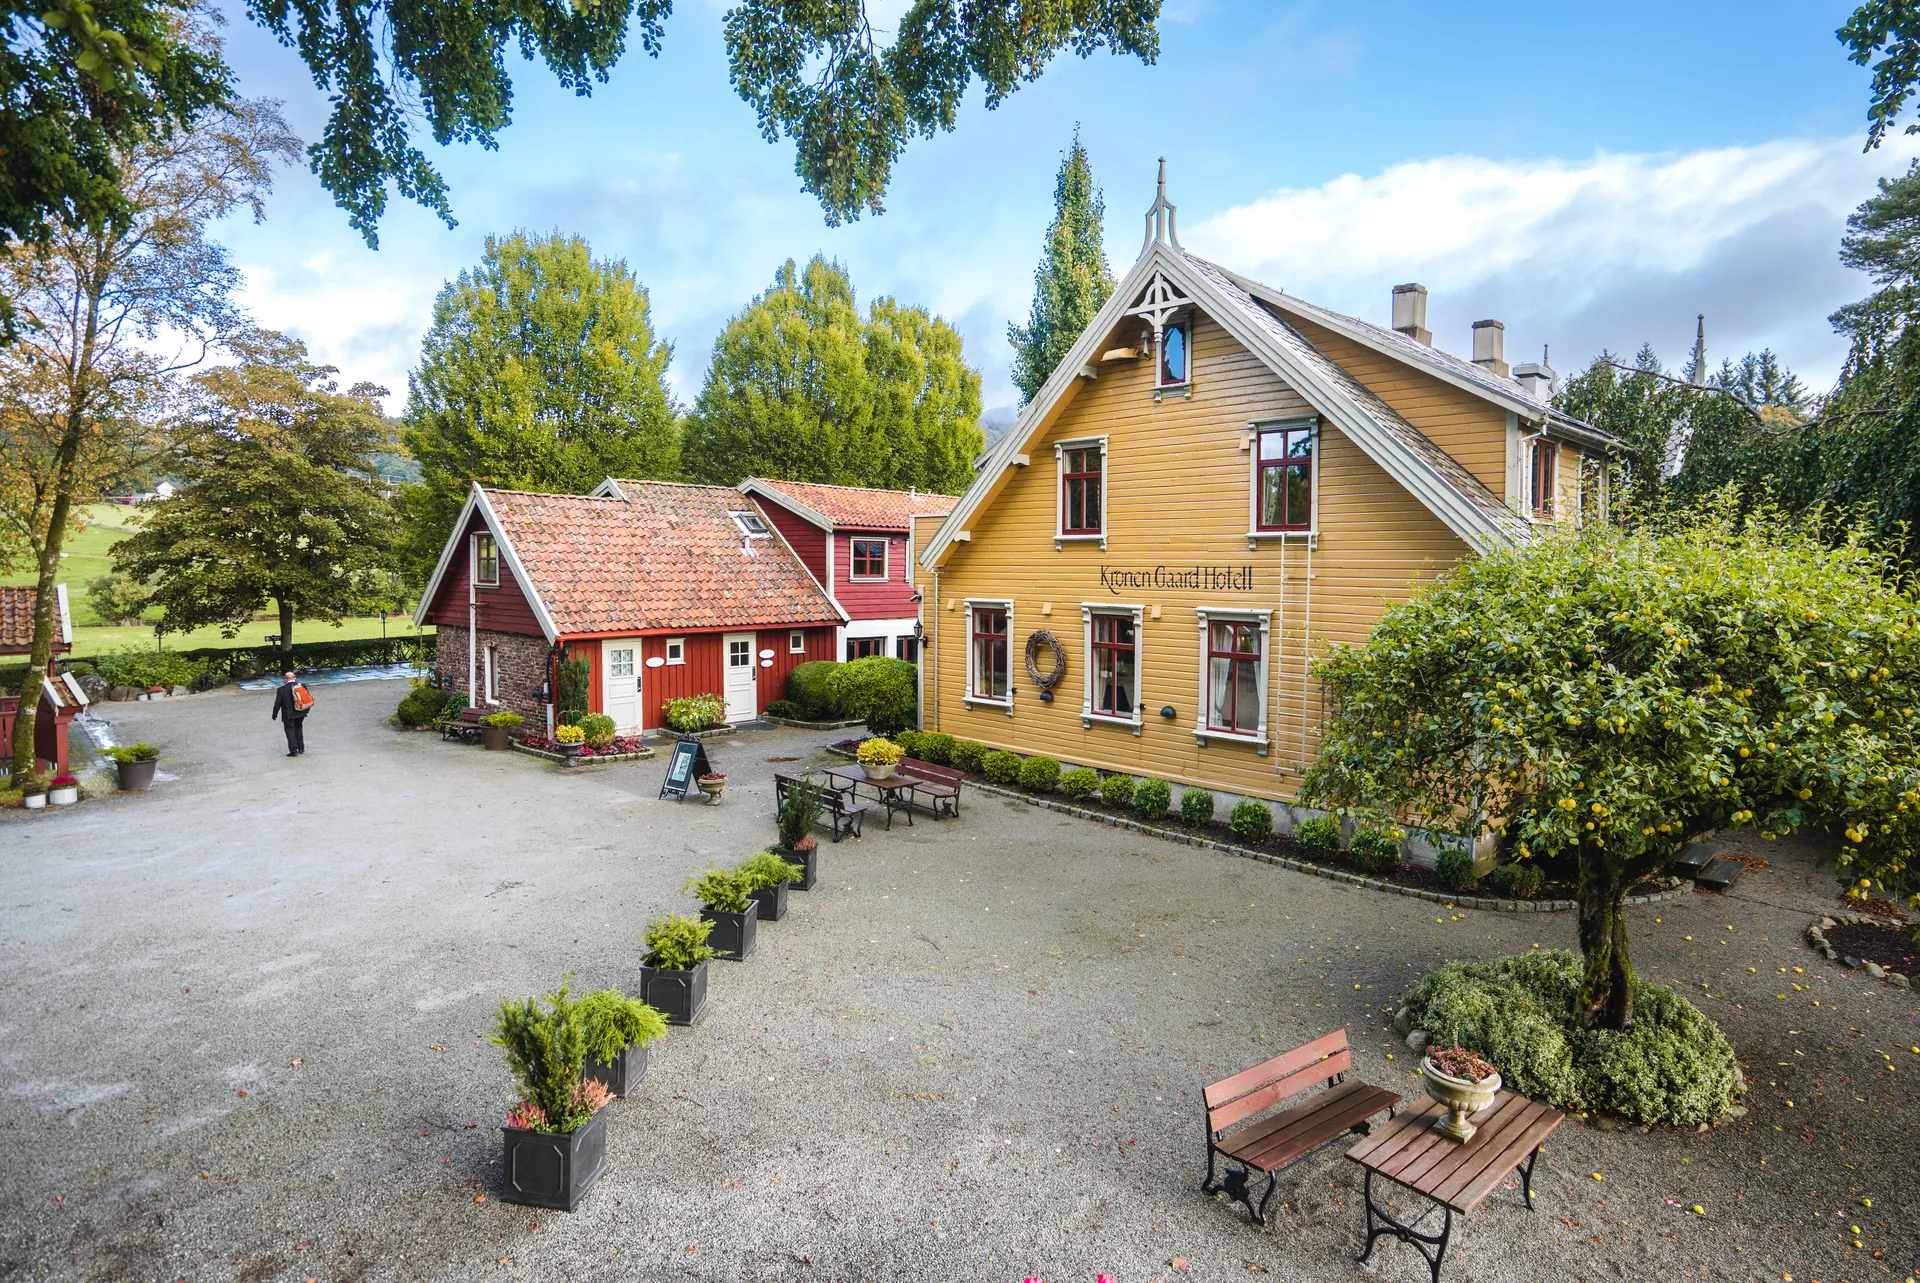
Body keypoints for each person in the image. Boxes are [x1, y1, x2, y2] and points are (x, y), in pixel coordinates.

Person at [271, 670, 311, 756]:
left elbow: (277, 703)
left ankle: (293, 750)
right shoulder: (301, 686)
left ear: (285, 679)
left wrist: (274, 714)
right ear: (294, 678)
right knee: (298, 729)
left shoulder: (281, 690)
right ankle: (301, 748)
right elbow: (307, 699)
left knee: (290, 731)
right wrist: (306, 710)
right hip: (300, 712)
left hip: (288, 714)